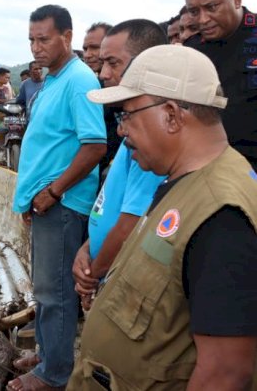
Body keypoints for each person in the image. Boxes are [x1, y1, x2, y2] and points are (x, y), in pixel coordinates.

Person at [69, 44, 257, 390]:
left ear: (171, 114)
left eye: (127, 115)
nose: (121, 132)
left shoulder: (220, 217)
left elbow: (226, 372)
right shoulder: (184, 182)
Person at [8, 5, 106, 391]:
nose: (36, 47)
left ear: (67, 37)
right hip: (45, 203)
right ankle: (49, 353)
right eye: (32, 39)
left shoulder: (79, 80)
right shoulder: (52, 79)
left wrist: (54, 191)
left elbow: (95, 145)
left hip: (62, 205)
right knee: (46, 288)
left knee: (57, 292)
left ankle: (55, 373)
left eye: (44, 39)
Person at [71, 19, 167, 311]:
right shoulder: (132, 134)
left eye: (112, 63)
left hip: (122, 278)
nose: (103, 74)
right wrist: (87, 248)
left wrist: (93, 273)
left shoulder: (153, 145)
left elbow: (131, 222)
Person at [184, 0, 257, 169]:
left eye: (211, 7)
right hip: (209, 165)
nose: (202, 19)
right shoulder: (192, 49)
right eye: (194, 11)